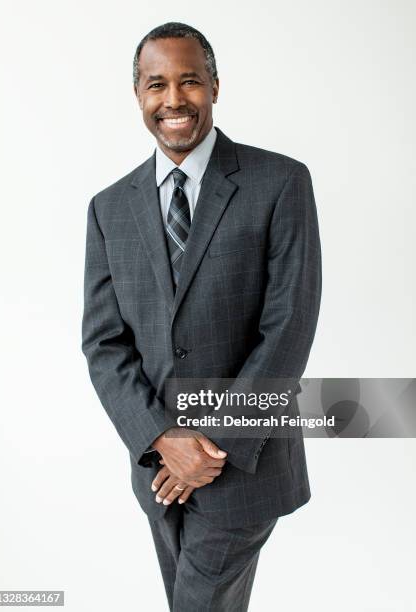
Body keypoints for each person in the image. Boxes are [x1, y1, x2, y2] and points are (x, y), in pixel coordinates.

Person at [82, 21, 322, 612]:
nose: (173, 100)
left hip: (244, 465)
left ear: (215, 85)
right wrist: (164, 440)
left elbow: (289, 326)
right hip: (160, 473)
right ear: (138, 95)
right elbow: (104, 345)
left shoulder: (280, 182)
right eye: (156, 84)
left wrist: (207, 446)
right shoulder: (109, 208)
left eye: (190, 81)